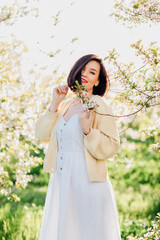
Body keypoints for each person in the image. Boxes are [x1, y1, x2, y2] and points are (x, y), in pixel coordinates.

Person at [35, 54, 121, 240]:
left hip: (87, 180)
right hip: (62, 179)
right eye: (82, 69)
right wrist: (54, 103)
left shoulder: (98, 104)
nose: (85, 75)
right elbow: (41, 135)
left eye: (92, 72)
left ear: (98, 80)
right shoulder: (64, 105)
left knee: (87, 232)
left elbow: (112, 145)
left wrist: (88, 131)